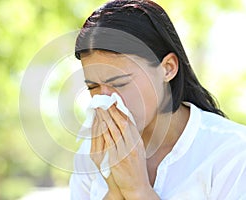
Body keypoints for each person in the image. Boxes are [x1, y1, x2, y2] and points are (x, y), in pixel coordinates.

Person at [69, 0, 246, 199]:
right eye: (93, 87)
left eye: (119, 83)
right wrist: (114, 191)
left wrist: (137, 190)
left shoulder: (232, 152)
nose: (105, 100)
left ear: (168, 68)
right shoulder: (93, 155)